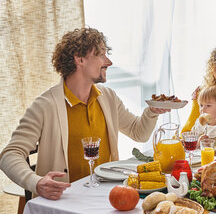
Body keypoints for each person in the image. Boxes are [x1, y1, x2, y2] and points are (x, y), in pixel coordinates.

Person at [0, 27, 169, 200]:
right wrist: (35, 182)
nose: (108, 62)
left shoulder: (108, 97)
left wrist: (152, 112)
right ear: (79, 59)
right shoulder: (45, 106)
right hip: (64, 202)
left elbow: (138, 132)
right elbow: (9, 154)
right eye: (101, 54)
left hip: (105, 196)